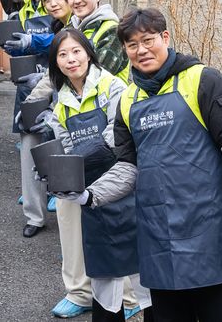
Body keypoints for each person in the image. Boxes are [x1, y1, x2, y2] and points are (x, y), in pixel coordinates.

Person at [71, 8, 222, 322]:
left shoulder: (202, 80)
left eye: (148, 40)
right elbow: (129, 167)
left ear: (165, 38)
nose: (141, 50)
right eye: (132, 45)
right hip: (159, 242)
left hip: (209, 233)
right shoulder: (129, 100)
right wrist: (91, 195)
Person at [47, 29, 153, 321]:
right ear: (55, 62)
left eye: (76, 51)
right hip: (87, 188)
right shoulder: (62, 103)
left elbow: (115, 135)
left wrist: (78, 158)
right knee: (100, 255)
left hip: (122, 178)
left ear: (89, 53)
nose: (71, 60)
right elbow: (66, 144)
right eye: (63, 54)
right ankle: (99, 302)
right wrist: (57, 170)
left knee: (136, 252)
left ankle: (138, 303)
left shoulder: (112, 86)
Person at [5, 0, 54, 238]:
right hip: (30, 89)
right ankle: (34, 216)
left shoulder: (62, 2)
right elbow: (18, 48)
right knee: (30, 151)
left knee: (62, 147)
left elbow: (68, 40)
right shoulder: (21, 12)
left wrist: (35, 41)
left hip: (61, 87)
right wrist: (8, 44)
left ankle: (68, 203)